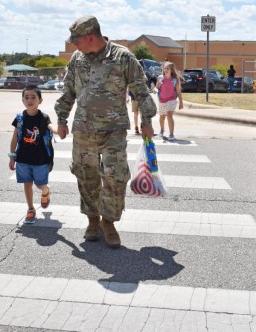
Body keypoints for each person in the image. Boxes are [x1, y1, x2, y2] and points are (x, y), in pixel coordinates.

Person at [55, 16, 156, 248]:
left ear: (90, 36)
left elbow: (141, 89)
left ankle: (108, 221)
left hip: (114, 130)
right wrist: (61, 117)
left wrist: (148, 120)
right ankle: (92, 220)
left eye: (76, 40)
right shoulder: (77, 58)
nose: (74, 44)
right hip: (83, 129)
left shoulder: (123, 57)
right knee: (85, 175)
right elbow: (68, 89)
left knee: (115, 177)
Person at [9, 86, 56, 224]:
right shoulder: (19, 118)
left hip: (40, 159)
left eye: (33, 97)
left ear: (40, 100)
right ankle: (30, 209)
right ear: (23, 100)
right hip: (23, 158)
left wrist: (59, 130)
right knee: (27, 184)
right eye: (27, 97)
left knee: (40, 184)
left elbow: (51, 127)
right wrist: (12, 156)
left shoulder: (44, 117)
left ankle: (46, 191)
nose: (30, 100)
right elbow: (14, 138)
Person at [156, 61, 183, 141]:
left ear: (171, 70)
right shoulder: (160, 77)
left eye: (168, 68)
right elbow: (157, 87)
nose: (166, 70)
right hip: (162, 99)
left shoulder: (175, 80)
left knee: (169, 115)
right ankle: (162, 129)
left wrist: (181, 102)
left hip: (171, 99)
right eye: (165, 68)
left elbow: (178, 91)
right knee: (162, 117)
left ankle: (171, 134)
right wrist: (155, 89)